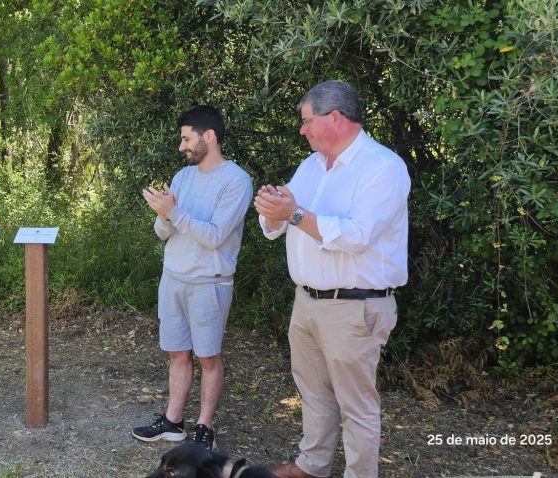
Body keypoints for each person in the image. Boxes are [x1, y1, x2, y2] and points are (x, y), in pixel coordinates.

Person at [253, 80, 410, 478]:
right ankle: (312, 466)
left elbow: (356, 237)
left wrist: (293, 214)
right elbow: (279, 226)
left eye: (307, 121)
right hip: (307, 301)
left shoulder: (383, 167)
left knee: (356, 405)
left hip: (355, 306)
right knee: (314, 394)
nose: (302, 129)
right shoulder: (310, 166)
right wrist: (273, 210)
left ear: (335, 117)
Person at [133, 105, 253, 450]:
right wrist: (164, 215)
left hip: (210, 282)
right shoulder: (183, 177)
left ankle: (204, 427)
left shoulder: (237, 181)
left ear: (208, 136)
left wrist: (173, 212)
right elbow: (163, 232)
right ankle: (173, 422)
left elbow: (215, 236)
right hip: (173, 277)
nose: (181, 146)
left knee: (208, 357)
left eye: (186, 138)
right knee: (177, 353)